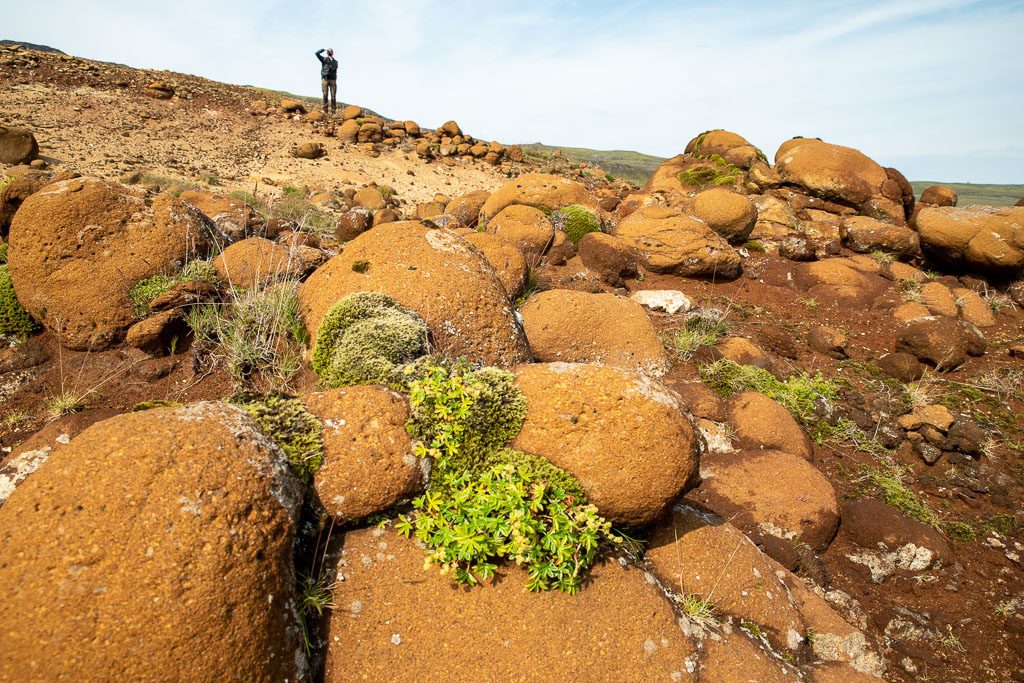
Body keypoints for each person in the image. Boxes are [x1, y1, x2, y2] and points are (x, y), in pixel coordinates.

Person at [315, 48, 338, 115]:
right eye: (329, 52)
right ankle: (325, 111)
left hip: (333, 79)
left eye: (330, 52)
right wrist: (324, 49)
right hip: (325, 79)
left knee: (333, 96)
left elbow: (334, 69)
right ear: (327, 53)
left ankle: (333, 111)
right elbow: (316, 53)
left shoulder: (335, 62)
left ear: (332, 53)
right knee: (325, 95)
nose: (330, 53)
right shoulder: (324, 60)